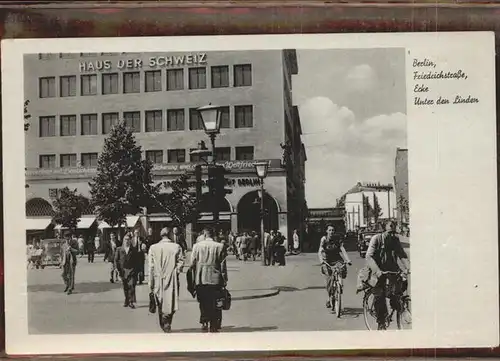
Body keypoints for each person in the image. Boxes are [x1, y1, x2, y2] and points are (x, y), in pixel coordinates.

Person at [365, 220, 410, 330]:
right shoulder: (377, 239)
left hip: (391, 270)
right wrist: (377, 271)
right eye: (390, 231)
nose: (392, 234)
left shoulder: (395, 240)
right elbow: (369, 256)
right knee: (380, 295)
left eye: (393, 231)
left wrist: (408, 267)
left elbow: (402, 255)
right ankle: (381, 322)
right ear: (384, 228)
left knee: (400, 288)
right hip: (378, 271)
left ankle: (398, 308)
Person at [189, 228, 228, 333]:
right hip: (215, 277)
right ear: (213, 235)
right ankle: (214, 324)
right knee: (215, 301)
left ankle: (204, 321)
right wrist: (224, 279)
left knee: (203, 301)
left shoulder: (197, 246)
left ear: (204, 234)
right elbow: (222, 265)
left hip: (201, 278)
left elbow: (192, 263)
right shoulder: (220, 246)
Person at [148, 227, 185, 332]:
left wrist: (150, 282)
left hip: (158, 277)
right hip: (172, 277)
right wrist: (176, 271)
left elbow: (151, 267)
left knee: (160, 300)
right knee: (171, 299)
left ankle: (163, 321)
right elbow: (181, 261)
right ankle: (167, 321)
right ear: (170, 235)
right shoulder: (176, 247)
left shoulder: (153, 248)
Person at [318, 225, 352, 310]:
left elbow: (342, 249)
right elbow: (320, 250)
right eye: (329, 230)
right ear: (327, 231)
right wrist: (321, 260)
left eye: (333, 230)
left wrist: (348, 259)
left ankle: (339, 286)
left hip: (337, 260)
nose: (331, 232)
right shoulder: (324, 239)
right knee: (329, 280)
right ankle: (330, 297)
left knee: (342, 270)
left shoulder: (337, 239)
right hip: (327, 261)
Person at [114, 233, 140, 309]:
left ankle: (131, 302)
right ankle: (126, 300)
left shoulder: (133, 249)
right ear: (123, 240)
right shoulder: (119, 249)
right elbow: (116, 260)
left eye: (128, 240)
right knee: (125, 286)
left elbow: (137, 261)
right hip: (123, 270)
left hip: (131, 270)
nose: (127, 241)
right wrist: (117, 269)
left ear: (130, 241)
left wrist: (137, 271)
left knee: (131, 286)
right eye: (125, 239)